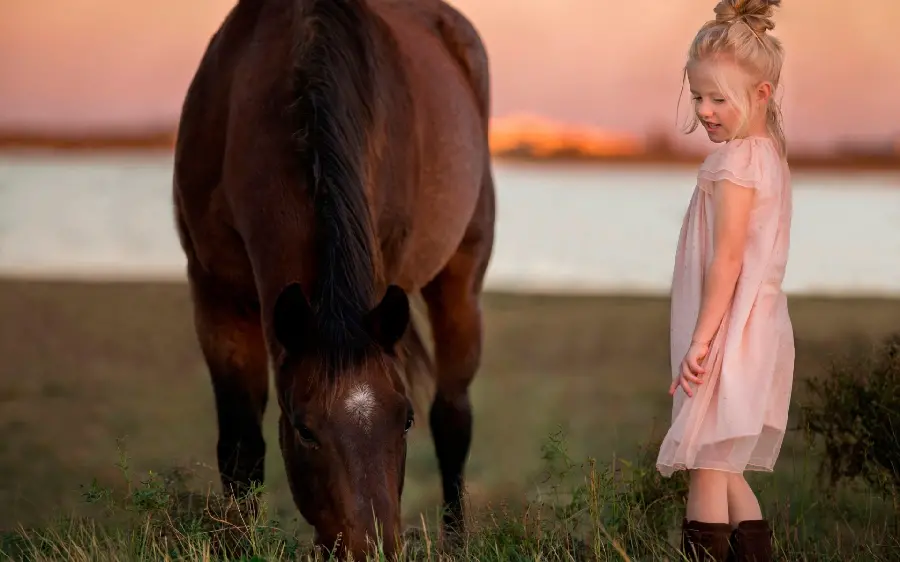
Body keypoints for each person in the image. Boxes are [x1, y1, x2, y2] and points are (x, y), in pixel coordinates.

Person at [655, 1, 794, 561]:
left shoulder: (735, 163)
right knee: (727, 469)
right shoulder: (767, 157)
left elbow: (729, 260)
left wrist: (703, 340)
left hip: (729, 334)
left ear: (761, 94)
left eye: (719, 98)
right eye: (698, 98)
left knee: (706, 472)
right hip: (753, 331)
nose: (706, 111)